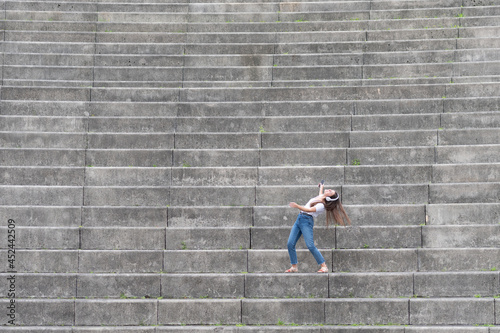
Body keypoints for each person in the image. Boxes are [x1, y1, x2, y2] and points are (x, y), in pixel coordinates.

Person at [285, 182, 351, 273]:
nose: (329, 189)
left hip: (306, 221)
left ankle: (324, 266)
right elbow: (321, 195)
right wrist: (321, 187)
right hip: (299, 219)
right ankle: (294, 266)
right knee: (290, 243)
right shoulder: (321, 198)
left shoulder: (321, 205)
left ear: (329, 198)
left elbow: (309, 209)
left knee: (310, 245)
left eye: (331, 191)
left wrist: (297, 206)